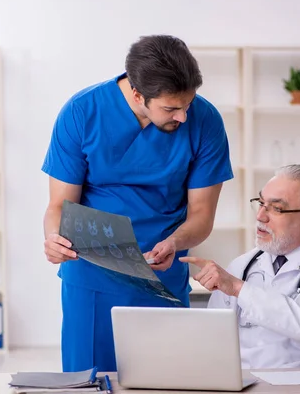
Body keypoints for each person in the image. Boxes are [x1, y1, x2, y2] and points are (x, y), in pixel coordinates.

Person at [41, 34, 234, 372]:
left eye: (188, 104)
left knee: (165, 380)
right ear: (137, 94)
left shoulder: (206, 122)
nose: (184, 116)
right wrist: (54, 238)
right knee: (88, 380)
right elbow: (59, 205)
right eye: (171, 108)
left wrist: (174, 242)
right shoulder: (81, 112)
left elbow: (202, 214)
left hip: (161, 276)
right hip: (91, 276)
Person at [181, 164, 300, 369]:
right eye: (261, 203)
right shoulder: (242, 266)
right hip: (248, 385)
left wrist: (240, 289)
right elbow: (214, 343)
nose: (260, 216)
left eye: (276, 208)